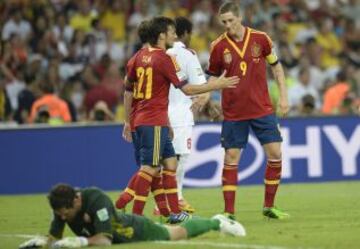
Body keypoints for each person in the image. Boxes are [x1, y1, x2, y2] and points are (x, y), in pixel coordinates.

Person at [123, 16, 239, 223]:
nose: (173, 36)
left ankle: (173, 212)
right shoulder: (164, 59)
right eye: (170, 32)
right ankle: (135, 216)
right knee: (150, 168)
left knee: (170, 163)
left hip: (148, 118)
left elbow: (127, 89)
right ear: (161, 35)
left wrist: (126, 120)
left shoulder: (137, 57)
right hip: (154, 120)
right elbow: (187, 89)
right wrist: (217, 85)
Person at [206, 2, 290, 220]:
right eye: (223, 22)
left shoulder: (261, 39)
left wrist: (283, 97)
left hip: (262, 108)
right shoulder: (217, 46)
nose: (228, 25)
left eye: (231, 20)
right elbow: (213, 77)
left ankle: (269, 206)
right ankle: (229, 212)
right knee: (231, 157)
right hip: (234, 111)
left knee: (275, 153)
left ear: (240, 17)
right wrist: (207, 97)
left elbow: (277, 67)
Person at [18, 183, 246, 248]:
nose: (63, 218)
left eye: (65, 213)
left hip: (135, 230)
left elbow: (105, 241)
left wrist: (78, 241)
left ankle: (217, 222)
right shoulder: (62, 207)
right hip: (120, 235)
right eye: (60, 214)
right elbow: (54, 239)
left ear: (76, 201)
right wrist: (42, 243)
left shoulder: (96, 199)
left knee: (177, 233)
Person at [165, 16, 211, 213]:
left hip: (161, 112)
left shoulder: (162, 52)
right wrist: (207, 100)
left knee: (163, 160)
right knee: (180, 157)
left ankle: (164, 203)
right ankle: (178, 198)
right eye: (190, 34)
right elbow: (201, 86)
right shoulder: (187, 55)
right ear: (184, 33)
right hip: (181, 113)